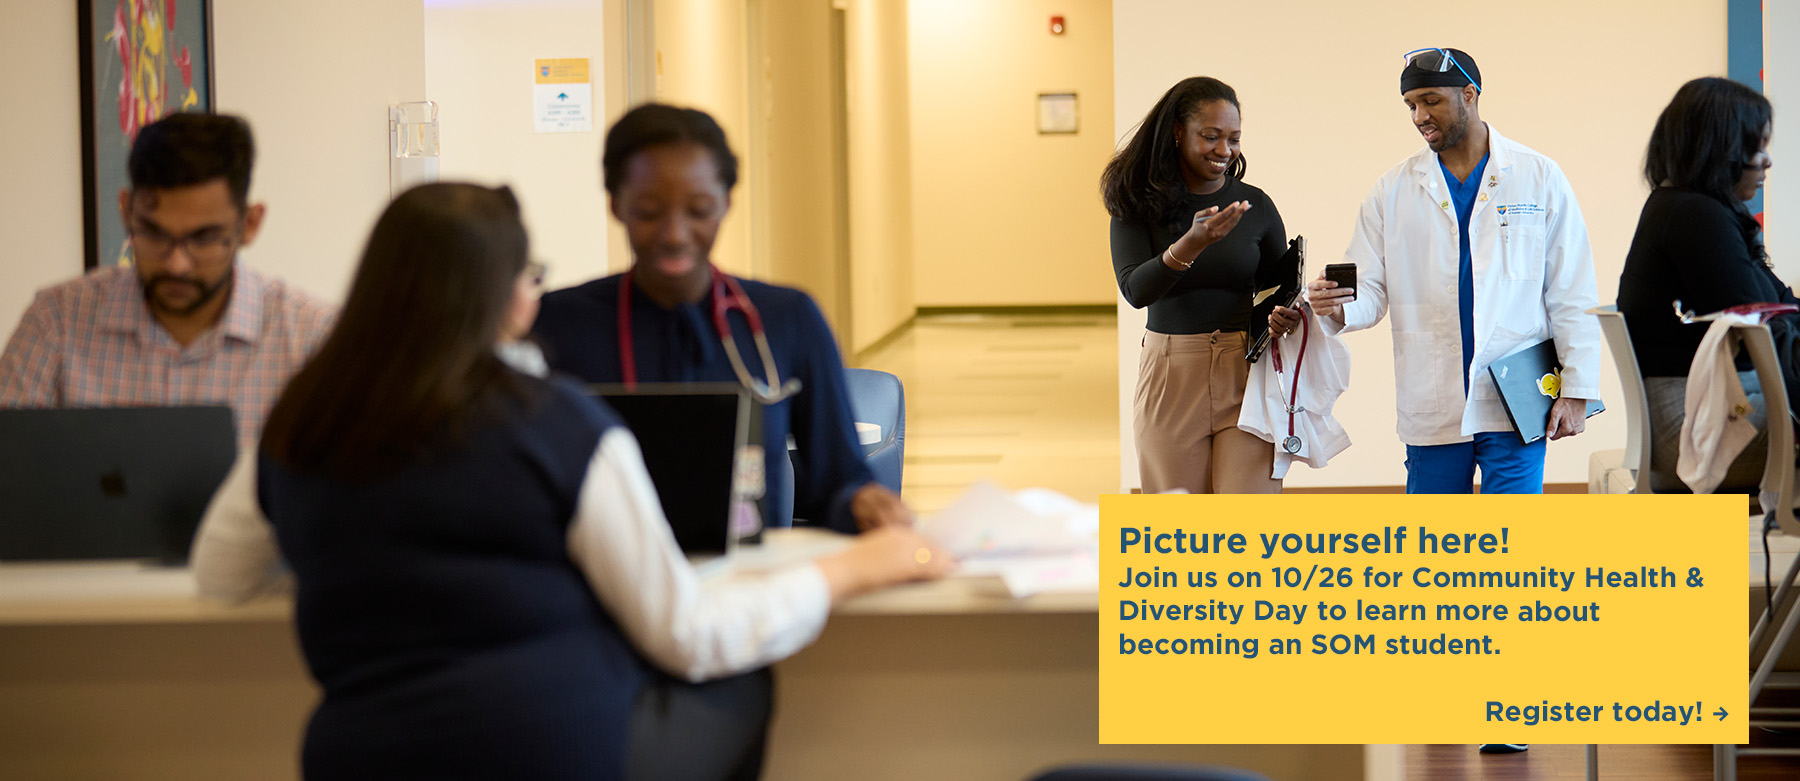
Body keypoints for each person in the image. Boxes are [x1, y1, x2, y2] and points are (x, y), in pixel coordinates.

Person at [189, 182, 952, 780]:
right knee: (739, 683)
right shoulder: (559, 426)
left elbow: (222, 576)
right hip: (550, 754)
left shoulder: (300, 421)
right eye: (530, 275)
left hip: (356, 758)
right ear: (509, 297)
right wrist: (853, 567)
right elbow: (689, 636)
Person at [533, 103, 908, 532]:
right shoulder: (557, 325)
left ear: (727, 203)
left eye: (699, 210)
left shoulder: (788, 319)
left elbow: (838, 484)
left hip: (748, 583)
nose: (675, 234)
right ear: (617, 205)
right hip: (602, 584)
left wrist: (866, 505)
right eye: (650, 212)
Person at [1309, 47, 1602, 501]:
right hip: (1433, 397)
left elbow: (1570, 289)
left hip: (1516, 391)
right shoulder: (1392, 189)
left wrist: (1579, 387)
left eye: (1431, 101)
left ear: (1470, 93)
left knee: (1517, 543)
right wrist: (1339, 304)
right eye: (1411, 105)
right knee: (1437, 544)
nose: (1419, 116)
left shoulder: (1538, 175)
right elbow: (1369, 290)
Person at [0, 113, 334, 449]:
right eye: (154, 234)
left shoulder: (312, 339)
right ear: (126, 211)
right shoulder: (57, 320)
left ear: (249, 224)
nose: (176, 265)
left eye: (203, 238)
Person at [1102, 76, 1300, 494]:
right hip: (1172, 373)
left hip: (1244, 372)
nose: (1224, 150)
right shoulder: (1137, 202)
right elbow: (1136, 290)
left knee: (1248, 532)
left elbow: (1272, 293)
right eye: (1211, 136)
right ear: (1178, 131)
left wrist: (1286, 315)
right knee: (1180, 529)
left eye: (1233, 138)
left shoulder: (1256, 204)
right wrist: (1190, 244)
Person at [1617, 76, 1779, 493]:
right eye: (1757, 147)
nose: (1767, 161)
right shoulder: (1695, 217)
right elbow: (1766, 318)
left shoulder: (1681, 207)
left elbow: (1774, 302)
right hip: (1692, 431)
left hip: (1695, 416)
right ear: (1724, 150)